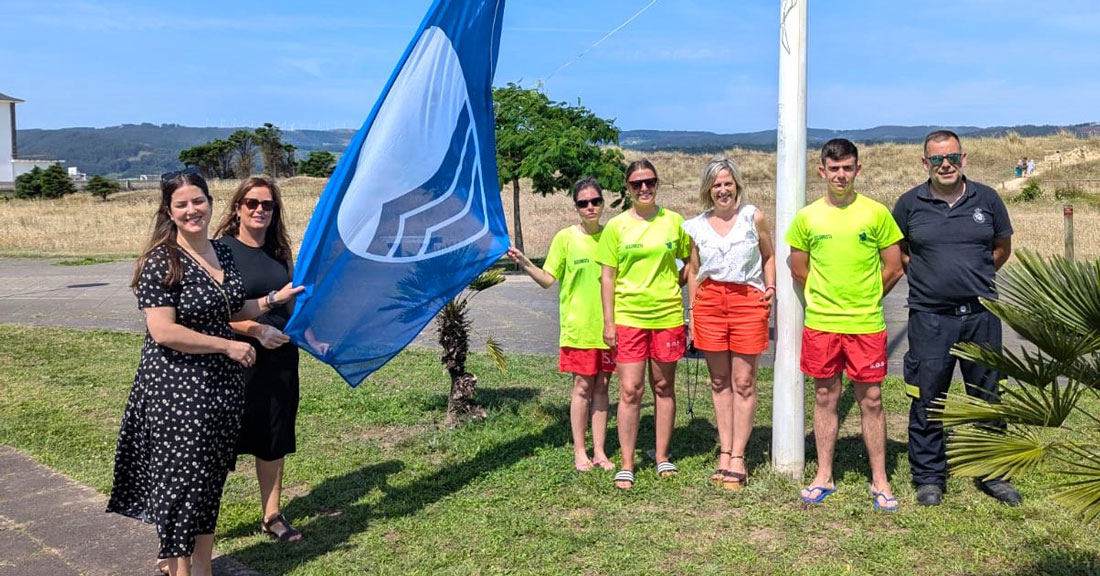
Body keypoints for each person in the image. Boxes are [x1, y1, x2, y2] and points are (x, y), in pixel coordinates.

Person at [107, 166, 301, 576]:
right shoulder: (160, 260)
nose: (192, 210)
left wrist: (272, 299)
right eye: (182, 204)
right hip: (176, 390)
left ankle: (202, 568)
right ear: (169, 210)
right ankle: (181, 569)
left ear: (212, 204)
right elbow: (163, 330)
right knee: (183, 488)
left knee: (207, 486)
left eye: (199, 201)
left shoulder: (223, 253)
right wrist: (228, 345)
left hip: (219, 391)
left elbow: (233, 307)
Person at [892, 130, 1021, 507]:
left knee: (988, 398)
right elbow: (899, 253)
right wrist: (932, 282)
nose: (944, 165)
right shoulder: (909, 204)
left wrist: (971, 279)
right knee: (929, 399)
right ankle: (930, 477)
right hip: (930, 319)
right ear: (925, 163)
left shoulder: (988, 200)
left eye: (951, 158)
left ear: (963, 159)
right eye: (936, 159)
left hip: (981, 316)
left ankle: (994, 473)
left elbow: (1001, 248)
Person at [784, 139, 904, 511]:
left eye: (847, 168)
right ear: (822, 171)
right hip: (822, 323)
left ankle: (880, 480)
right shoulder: (807, 217)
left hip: (866, 323)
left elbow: (895, 266)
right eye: (833, 169)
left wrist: (867, 297)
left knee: (871, 399)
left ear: (857, 169)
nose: (841, 175)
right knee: (825, 397)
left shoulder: (876, 213)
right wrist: (825, 297)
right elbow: (797, 266)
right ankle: (824, 475)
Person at [213, 176, 304, 539]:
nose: (259, 210)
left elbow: (294, 302)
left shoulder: (280, 252)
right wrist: (255, 330)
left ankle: (272, 515)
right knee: (218, 446)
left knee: (273, 439)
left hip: (280, 360)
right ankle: (198, 525)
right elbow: (212, 313)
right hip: (235, 362)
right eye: (251, 203)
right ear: (237, 208)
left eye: (267, 205)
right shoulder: (219, 251)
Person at [506, 177, 616, 473]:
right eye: (583, 203)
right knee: (582, 388)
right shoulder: (565, 238)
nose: (590, 207)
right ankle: (580, 451)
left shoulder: (612, 236)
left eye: (595, 201)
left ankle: (601, 451)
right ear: (576, 207)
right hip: (578, 329)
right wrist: (525, 263)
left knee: (603, 388)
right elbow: (547, 279)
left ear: (603, 203)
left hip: (608, 328)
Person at [597, 159, 691, 490]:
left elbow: (690, 262)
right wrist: (609, 322)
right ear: (628, 188)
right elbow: (607, 277)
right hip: (628, 319)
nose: (644, 188)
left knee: (663, 387)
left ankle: (662, 455)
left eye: (649, 181)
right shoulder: (616, 227)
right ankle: (626, 462)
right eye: (636, 184)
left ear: (657, 182)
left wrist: (674, 285)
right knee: (630, 389)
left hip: (667, 317)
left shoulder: (675, 222)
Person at [682, 158, 775, 491]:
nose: (723, 190)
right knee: (719, 381)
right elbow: (693, 271)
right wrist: (692, 311)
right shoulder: (694, 226)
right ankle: (724, 451)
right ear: (708, 189)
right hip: (708, 303)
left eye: (728, 183)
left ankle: (738, 457)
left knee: (745, 381)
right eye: (716, 184)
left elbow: (769, 256)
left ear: (737, 185)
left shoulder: (754, 218)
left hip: (747, 301)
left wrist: (771, 289)